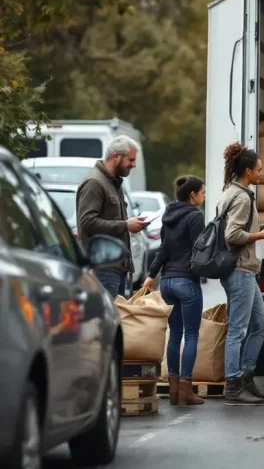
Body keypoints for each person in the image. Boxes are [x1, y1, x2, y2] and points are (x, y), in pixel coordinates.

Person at [218, 142, 264, 405]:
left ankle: (246, 376)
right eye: (259, 170)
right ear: (248, 171)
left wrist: (257, 228)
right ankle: (233, 385)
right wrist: (260, 234)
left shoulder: (232, 191)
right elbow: (232, 235)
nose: (261, 174)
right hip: (240, 269)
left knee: (261, 325)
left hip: (246, 270)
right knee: (238, 330)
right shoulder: (241, 196)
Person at [142, 176, 206, 406]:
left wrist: (151, 276)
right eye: (202, 193)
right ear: (193, 195)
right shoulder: (195, 216)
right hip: (186, 281)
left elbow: (163, 249)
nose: (204, 196)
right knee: (191, 335)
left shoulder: (168, 216)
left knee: (175, 334)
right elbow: (200, 249)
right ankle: (186, 390)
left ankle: (173, 389)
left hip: (167, 282)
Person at [76, 135, 149, 296]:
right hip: (102, 269)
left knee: (117, 319)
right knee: (107, 319)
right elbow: (87, 222)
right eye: (130, 160)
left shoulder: (114, 182)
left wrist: (132, 225)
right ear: (116, 156)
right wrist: (125, 225)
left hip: (116, 268)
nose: (134, 164)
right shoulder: (94, 183)